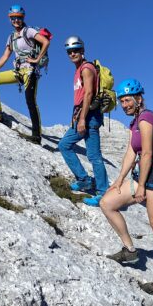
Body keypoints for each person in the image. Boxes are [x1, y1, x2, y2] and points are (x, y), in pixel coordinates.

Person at [99, 79, 153, 295]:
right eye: (122, 101)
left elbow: (149, 153)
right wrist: (119, 179)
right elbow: (131, 154)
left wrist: (141, 186)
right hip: (144, 172)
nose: (124, 105)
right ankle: (130, 250)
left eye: (128, 100)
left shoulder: (146, 119)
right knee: (107, 203)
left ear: (139, 98)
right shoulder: (134, 123)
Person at [0, 5, 49, 144]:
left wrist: (37, 59)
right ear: (10, 19)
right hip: (18, 71)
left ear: (22, 18)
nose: (16, 21)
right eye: (13, 18)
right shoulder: (11, 37)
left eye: (18, 18)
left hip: (30, 71)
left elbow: (45, 41)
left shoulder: (29, 31)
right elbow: (5, 56)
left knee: (30, 101)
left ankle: (36, 136)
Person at [57, 36, 108, 207]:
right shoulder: (79, 69)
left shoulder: (86, 68)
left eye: (76, 50)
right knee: (64, 144)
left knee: (94, 156)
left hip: (89, 116)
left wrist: (83, 119)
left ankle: (103, 193)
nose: (73, 54)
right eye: (69, 52)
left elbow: (88, 94)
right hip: (81, 115)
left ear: (82, 51)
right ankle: (84, 180)